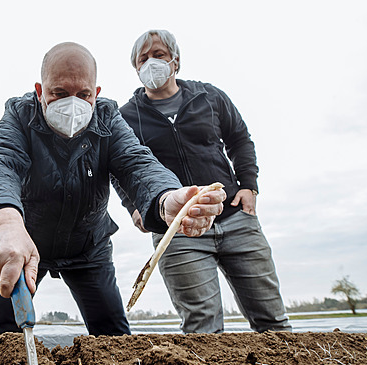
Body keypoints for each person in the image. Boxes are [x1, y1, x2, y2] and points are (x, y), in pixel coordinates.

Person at [0, 42, 225, 337]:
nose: (72, 105)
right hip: (25, 243)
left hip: (88, 247)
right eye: (59, 94)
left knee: (113, 334)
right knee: (1, 335)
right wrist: (3, 221)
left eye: (84, 95)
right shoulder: (20, 115)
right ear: (40, 92)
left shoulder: (108, 119)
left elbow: (136, 163)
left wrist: (166, 197)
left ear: (96, 94)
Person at [115, 30, 291, 333]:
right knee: (202, 327)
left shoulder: (209, 97)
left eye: (158, 55)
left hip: (236, 219)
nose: (150, 63)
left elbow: (240, 139)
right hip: (178, 230)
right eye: (142, 59)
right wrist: (135, 206)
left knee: (272, 319)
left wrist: (249, 185)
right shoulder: (126, 116)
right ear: (136, 69)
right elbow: (120, 166)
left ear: (175, 61)